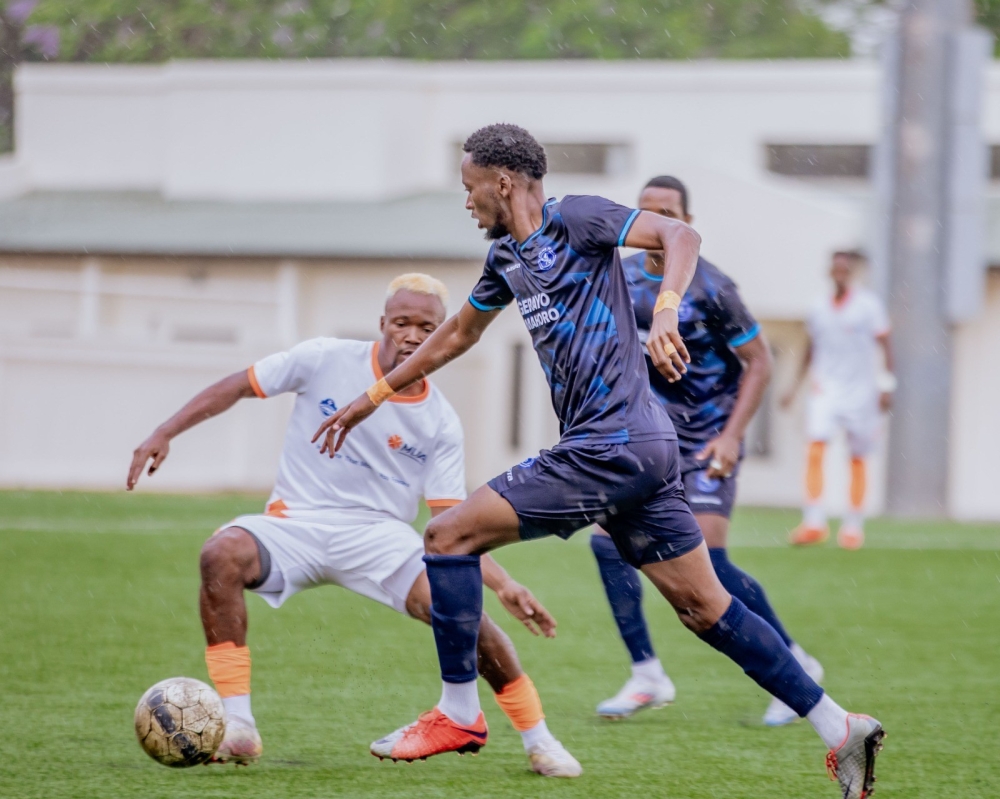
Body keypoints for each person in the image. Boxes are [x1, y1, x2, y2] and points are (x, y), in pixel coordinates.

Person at [315, 125, 885, 799]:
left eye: (470, 188)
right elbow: (457, 334)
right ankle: (840, 725)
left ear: (502, 182)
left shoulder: (578, 218)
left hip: (610, 445)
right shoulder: (505, 259)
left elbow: (682, 238)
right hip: (637, 453)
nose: (466, 202)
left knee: (446, 535)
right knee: (705, 607)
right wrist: (374, 394)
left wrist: (667, 310)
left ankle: (461, 713)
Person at [126, 272, 582, 778]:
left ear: (442, 334)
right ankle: (238, 725)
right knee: (221, 554)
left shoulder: (440, 422)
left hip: (381, 538)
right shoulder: (325, 358)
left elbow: (453, 527)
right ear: (382, 323)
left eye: (426, 326)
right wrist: (164, 432)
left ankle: (540, 741)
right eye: (402, 322)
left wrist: (503, 584)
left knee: (465, 615)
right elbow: (238, 385)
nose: (412, 334)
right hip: (295, 523)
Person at [590, 175, 823, 728]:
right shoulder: (617, 280)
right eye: (646, 213)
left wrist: (734, 435)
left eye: (668, 213)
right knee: (605, 543)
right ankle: (646, 673)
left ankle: (796, 662)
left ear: (687, 225)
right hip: (650, 442)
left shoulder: (713, 287)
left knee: (711, 562)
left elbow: (760, 361)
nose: (656, 224)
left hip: (708, 441)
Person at [783, 251, 894, 550]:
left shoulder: (869, 306)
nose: (840, 274)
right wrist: (794, 387)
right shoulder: (818, 308)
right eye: (836, 270)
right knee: (815, 449)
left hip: (862, 392)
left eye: (846, 270)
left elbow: (886, 345)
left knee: (857, 457)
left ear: (853, 273)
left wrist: (887, 384)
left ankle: (853, 526)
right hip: (826, 389)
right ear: (830, 272)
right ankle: (814, 522)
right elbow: (811, 349)